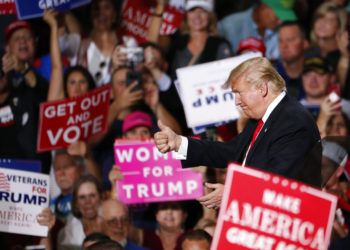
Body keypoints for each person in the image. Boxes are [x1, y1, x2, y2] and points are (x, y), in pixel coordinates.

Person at [154, 57, 322, 209]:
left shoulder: (293, 122)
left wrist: (232, 192)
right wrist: (179, 143)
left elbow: (278, 183)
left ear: (262, 89)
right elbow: (232, 151)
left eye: (239, 93)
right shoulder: (264, 117)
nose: (236, 102)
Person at [218, 0, 297, 60]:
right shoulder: (228, 27)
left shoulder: (281, 30)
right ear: (263, 7)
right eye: (278, 15)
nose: (281, 21)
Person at [57, 175, 103, 249]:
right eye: (82, 197)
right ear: (76, 203)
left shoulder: (113, 224)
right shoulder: (67, 235)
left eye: (92, 196)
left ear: (101, 198)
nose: (88, 202)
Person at [275, 21, 309, 100]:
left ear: (305, 43)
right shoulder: (270, 75)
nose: (284, 46)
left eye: (290, 40)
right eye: (280, 41)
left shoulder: (318, 74)